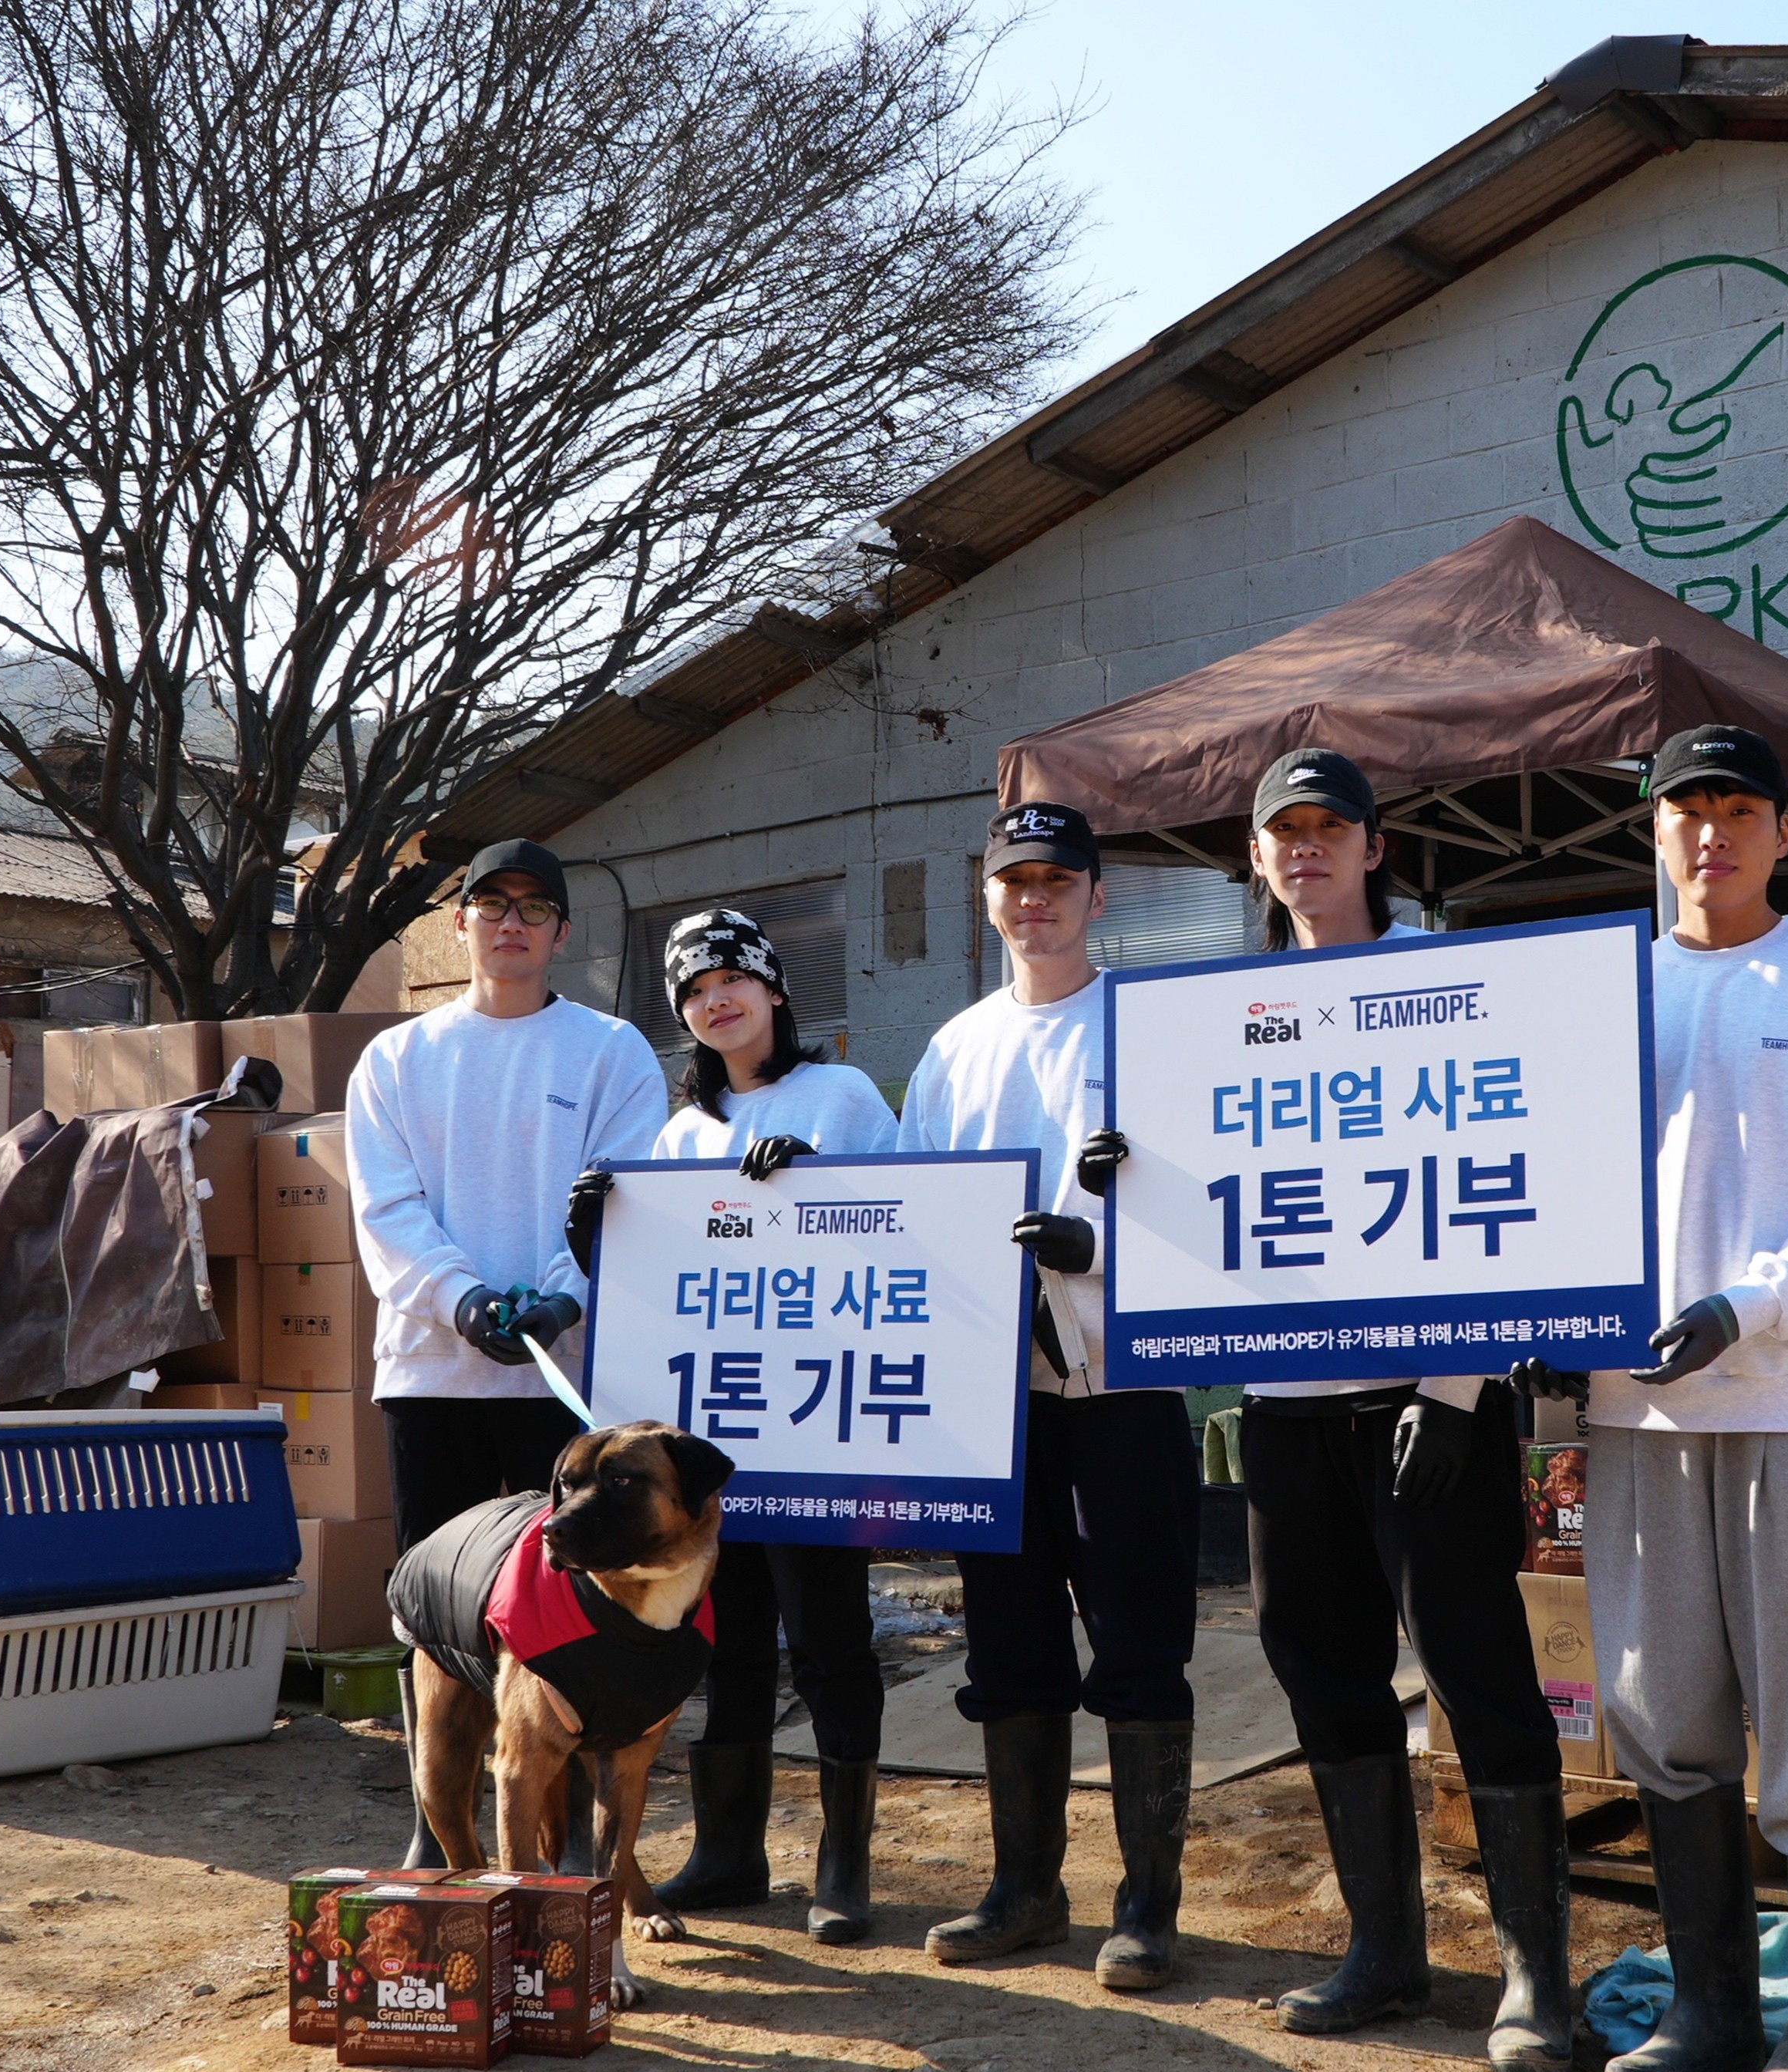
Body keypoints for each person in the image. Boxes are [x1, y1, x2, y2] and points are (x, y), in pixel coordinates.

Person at [1105, 748, 1571, 2072]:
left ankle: (1540, 1975)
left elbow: (1516, 1177)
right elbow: (1215, 1202)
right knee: (1322, 1670)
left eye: (1329, 828)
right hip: (1288, 1410)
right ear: (1257, 859)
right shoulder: (1216, 1014)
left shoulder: (1449, 982)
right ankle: (1386, 1949)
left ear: (1376, 847)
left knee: (1478, 1672)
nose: (1304, 849)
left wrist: (1458, 1381)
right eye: (1281, 832)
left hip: (1432, 1402)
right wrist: (1133, 1177)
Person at [1512, 725, 1788, 2072]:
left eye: (1740, 808)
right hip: (1634, 1410)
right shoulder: (1596, 997)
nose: (1712, 831)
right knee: (1660, 1705)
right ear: (1655, 829)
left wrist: (1750, 1306)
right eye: (1688, 808)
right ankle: (1709, 2007)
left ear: (1783, 833)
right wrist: (1523, 1324)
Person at [896, 801, 1200, 1992]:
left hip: (1123, 1383)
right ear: (989, 896)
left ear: (1096, 896)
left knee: (1139, 1644)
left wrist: (1096, 1245)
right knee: (1009, 1648)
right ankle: (1024, 1887)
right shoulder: (953, 1048)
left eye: (1057, 880)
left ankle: (1147, 1904)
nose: (1036, 899)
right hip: (996, 1400)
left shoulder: (1151, 1025)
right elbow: (918, 1212)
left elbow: (1205, 1195)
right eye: (1015, 880)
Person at [559, 908, 901, 1942]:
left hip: (823, 1420)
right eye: (695, 988)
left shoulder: (842, 1095)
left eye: (733, 976)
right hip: (710, 1439)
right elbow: (657, 1289)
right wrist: (595, 1236)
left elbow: (909, 1223)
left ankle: (843, 1865)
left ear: (775, 988)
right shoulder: (678, 1136)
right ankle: (728, 1848)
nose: (717, 997)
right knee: (729, 1637)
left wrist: (821, 1181)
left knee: (831, 1634)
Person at [349, 837, 668, 1868]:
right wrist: (465, 1300)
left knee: (568, 1605)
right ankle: (434, 1816)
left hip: (562, 1376)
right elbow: (385, 1208)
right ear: (461, 924)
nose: (514, 921)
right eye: (493, 903)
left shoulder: (612, 1051)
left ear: (564, 932)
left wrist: (555, 1294)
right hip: (432, 1373)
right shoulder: (397, 1059)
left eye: (537, 906)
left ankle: (561, 1834)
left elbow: (625, 1191)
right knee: (435, 1604)